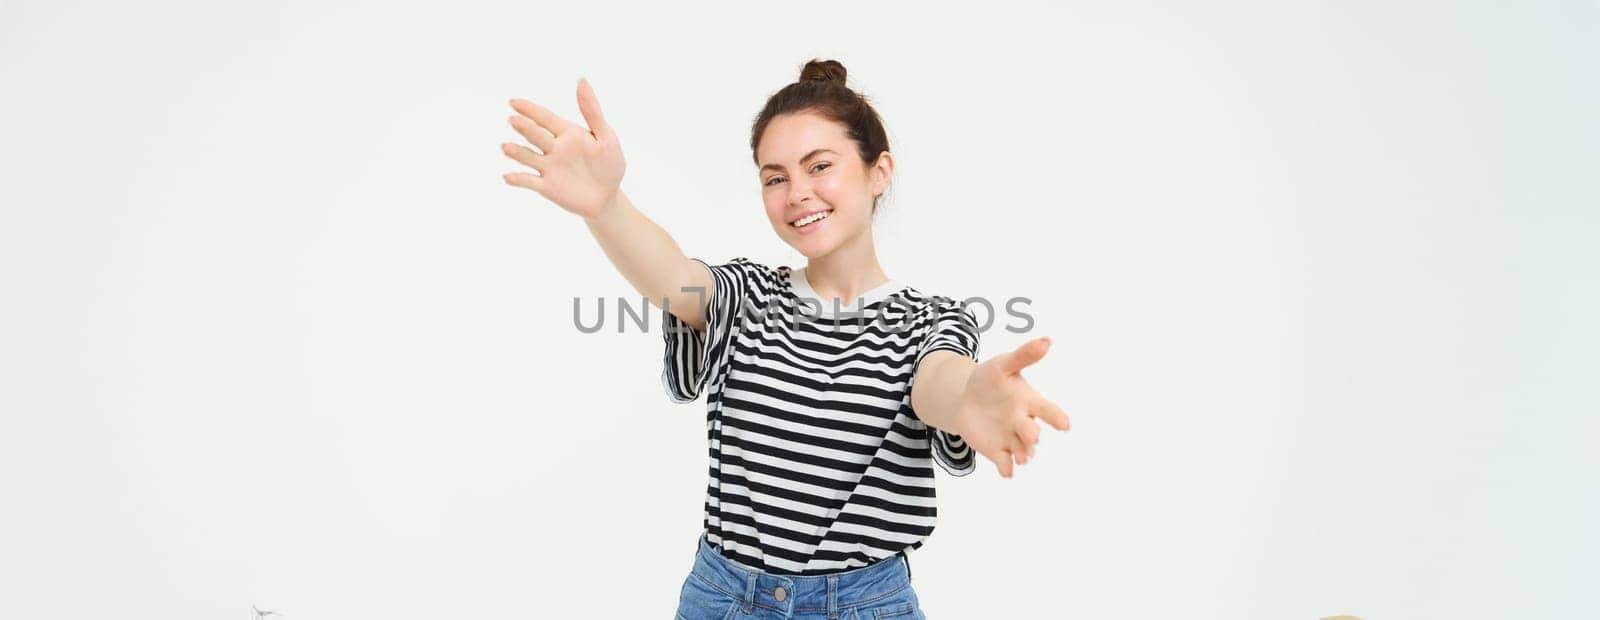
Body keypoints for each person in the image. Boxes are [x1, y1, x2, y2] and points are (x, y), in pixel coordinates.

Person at [500, 58, 1069, 619]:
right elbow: (675, 280)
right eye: (775, 177)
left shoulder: (931, 322)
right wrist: (606, 207)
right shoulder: (746, 296)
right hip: (724, 599)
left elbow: (941, 383)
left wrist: (972, 400)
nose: (797, 192)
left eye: (819, 166)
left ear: (879, 171)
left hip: (865, 605)